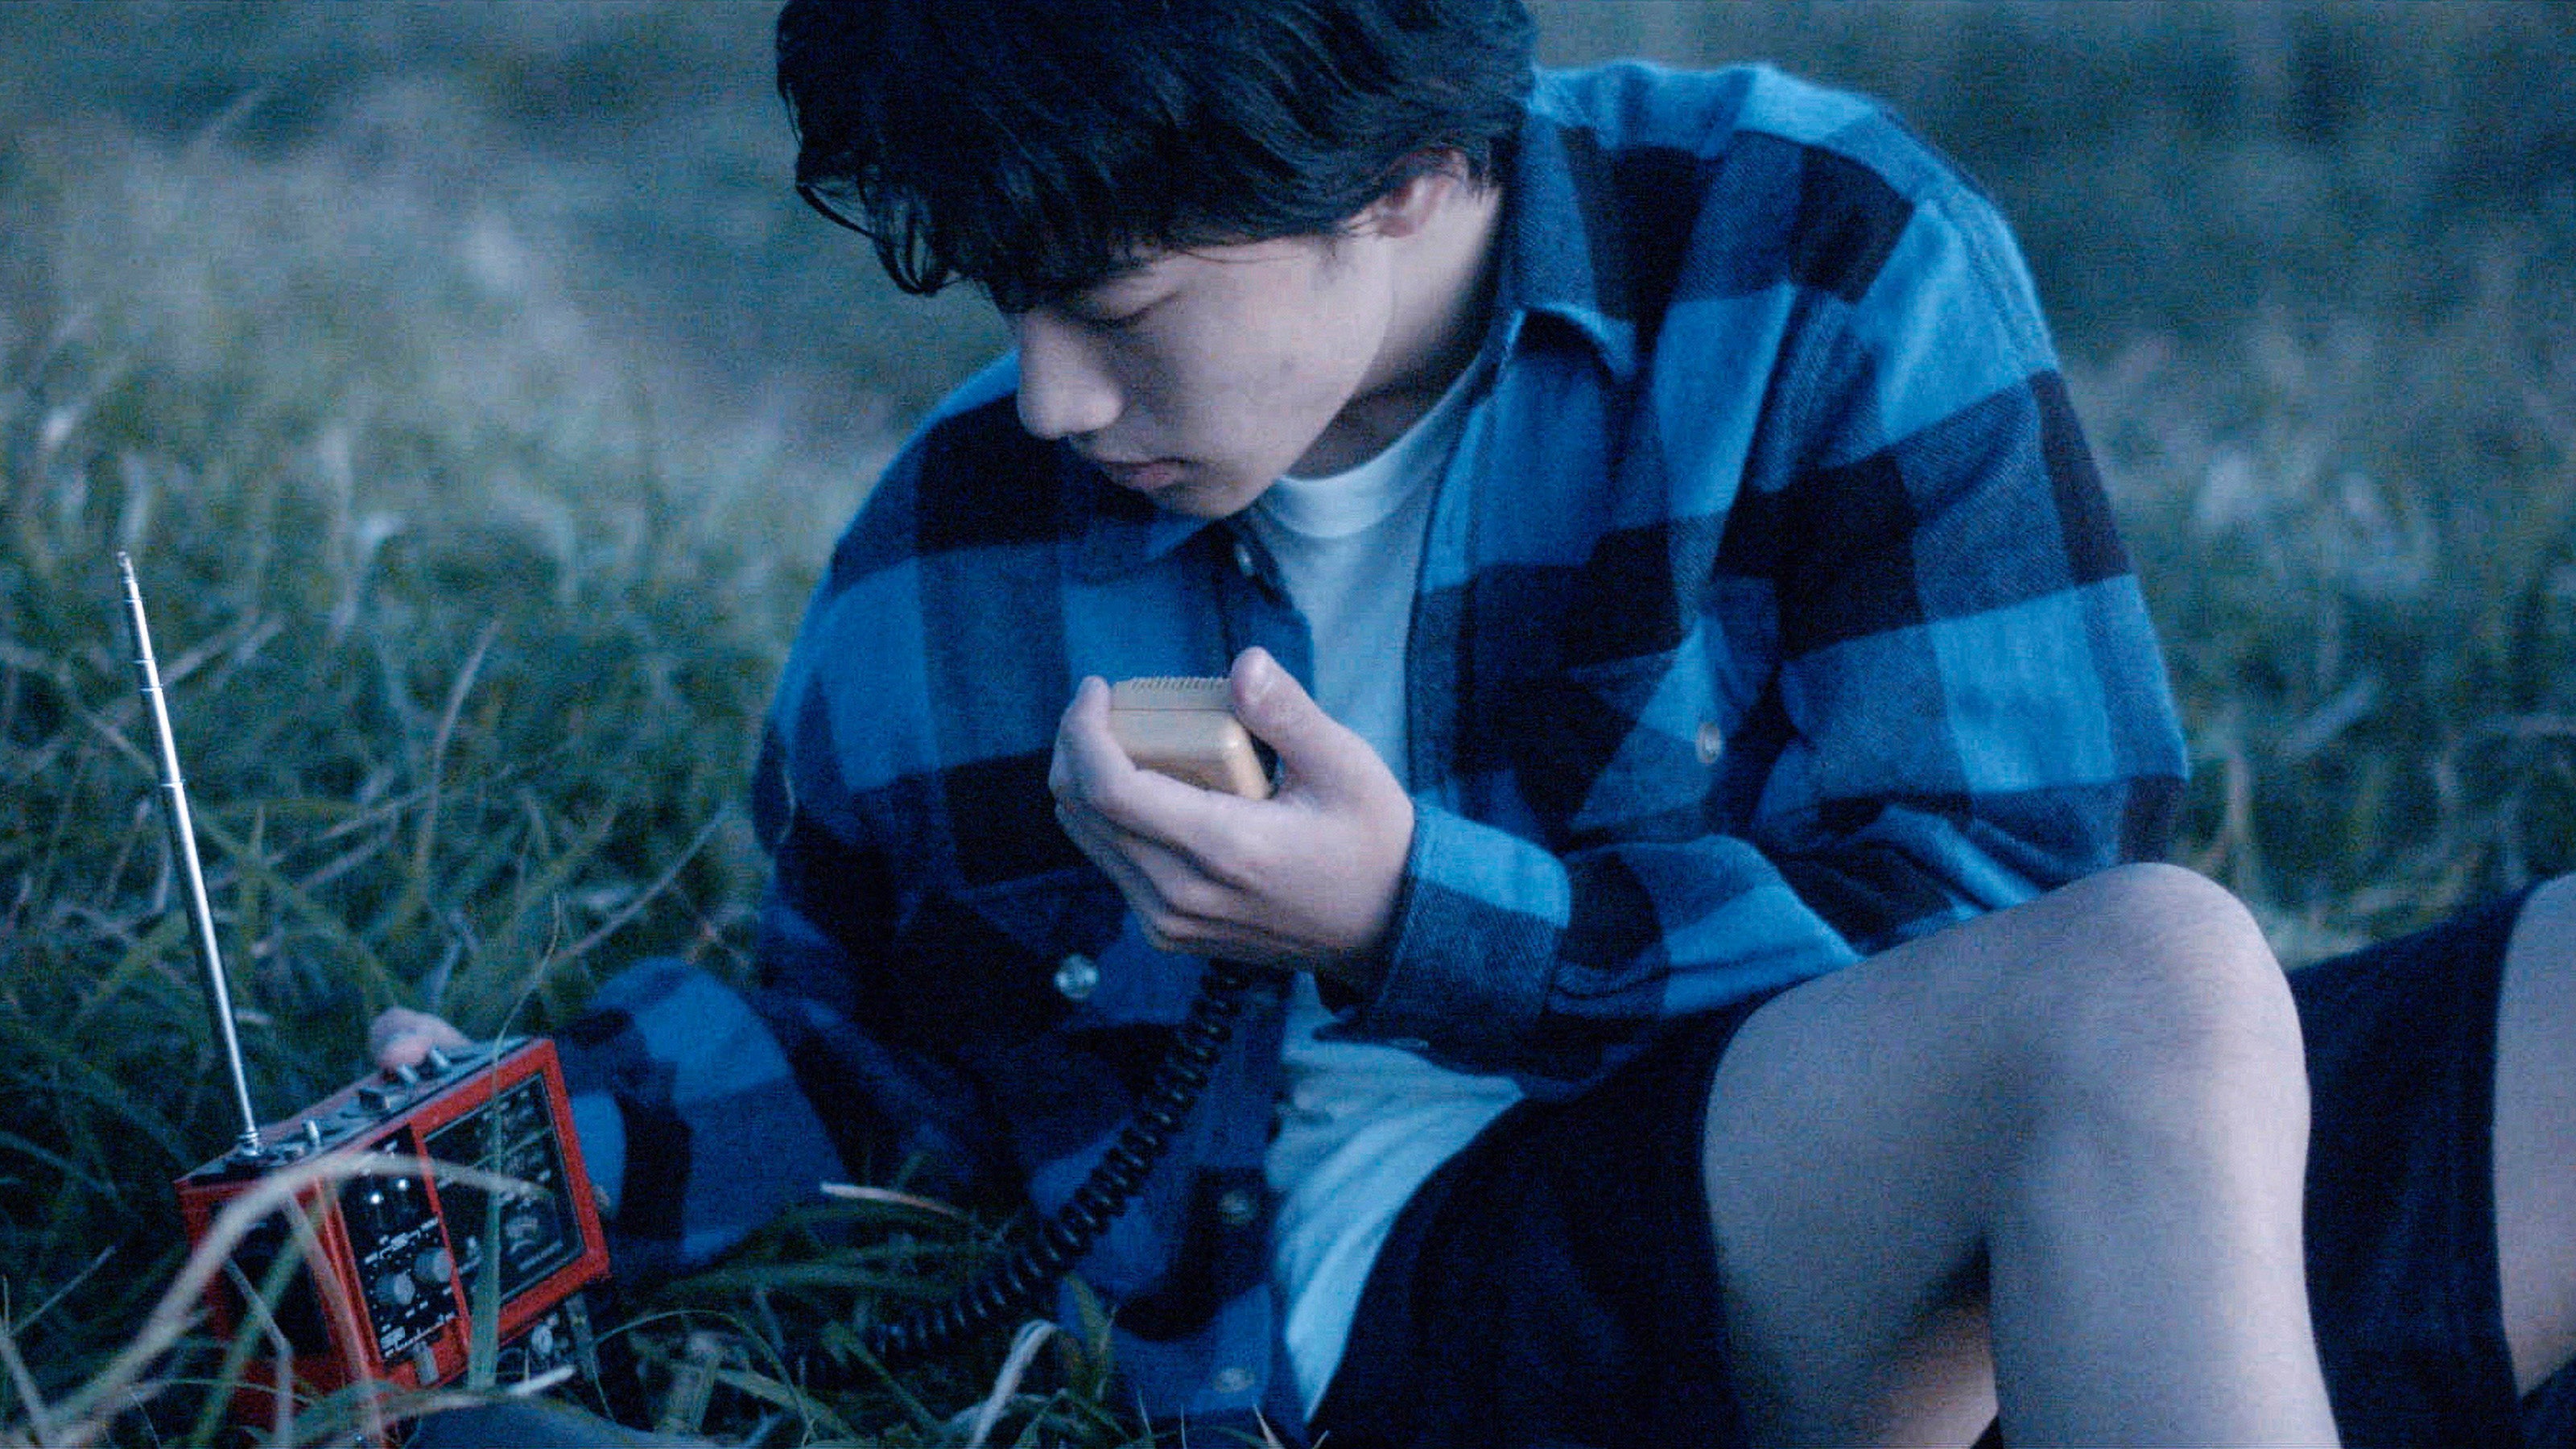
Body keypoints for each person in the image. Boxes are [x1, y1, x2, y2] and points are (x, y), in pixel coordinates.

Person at [378, 1, 2576, 1443]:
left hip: (1982, 1194)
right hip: (1451, 1301)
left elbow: (2007, 883)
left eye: (1116, 304)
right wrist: (468, 1181)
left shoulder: (1813, 252)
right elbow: (861, 1048)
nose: (1048, 393)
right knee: (2155, 979)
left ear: (1409, 171)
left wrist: (1419, 911)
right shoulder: (957, 546)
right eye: (1013, 300)